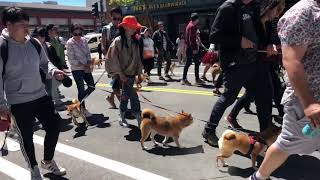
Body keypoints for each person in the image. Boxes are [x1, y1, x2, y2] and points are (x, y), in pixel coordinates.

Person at [249, 0, 320, 179]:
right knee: (287, 143)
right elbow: (291, 60)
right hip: (308, 96)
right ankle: (258, 177)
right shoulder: (302, 13)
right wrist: (309, 103)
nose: (278, 11)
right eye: (277, 9)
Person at [0, 7, 66, 179]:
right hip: (18, 100)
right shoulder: (2, 46)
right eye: (22, 25)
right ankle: (34, 169)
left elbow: (46, 63)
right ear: (8, 25)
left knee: (54, 125)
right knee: (26, 137)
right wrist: (2, 104)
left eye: (27, 24)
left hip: (40, 95)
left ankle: (48, 160)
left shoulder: (34, 43)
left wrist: (54, 71)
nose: (26, 28)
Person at [202, 0, 273, 146]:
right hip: (236, 63)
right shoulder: (228, 7)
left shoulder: (253, 7)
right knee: (229, 97)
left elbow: (259, 31)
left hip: (255, 61)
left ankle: (265, 134)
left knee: (263, 95)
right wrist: (239, 40)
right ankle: (209, 130)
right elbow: (214, 36)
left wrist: (268, 44)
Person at [224, 0, 285, 129]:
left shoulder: (269, 20)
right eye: (277, 10)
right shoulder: (250, 16)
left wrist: (272, 46)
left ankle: (266, 127)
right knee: (260, 94)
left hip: (266, 60)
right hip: (254, 61)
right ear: (269, 7)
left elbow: (268, 40)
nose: (278, 15)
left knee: (267, 93)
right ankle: (265, 128)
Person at [106, 16, 144, 128]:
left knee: (125, 96)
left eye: (135, 27)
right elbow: (112, 58)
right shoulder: (117, 41)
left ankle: (122, 116)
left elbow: (138, 58)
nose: (134, 29)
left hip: (131, 74)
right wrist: (120, 74)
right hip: (122, 75)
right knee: (133, 96)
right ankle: (138, 118)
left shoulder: (135, 41)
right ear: (125, 27)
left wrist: (138, 74)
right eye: (132, 27)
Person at [66, 24, 95, 117]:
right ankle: (82, 109)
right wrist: (83, 65)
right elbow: (71, 59)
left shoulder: (84, 40)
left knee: (92, 87)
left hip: (86, 67)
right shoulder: (70, 43)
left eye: (80, 33)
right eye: (75, 34)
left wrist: (89, 62)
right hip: (77, 69)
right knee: (81, 89)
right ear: (72, 33)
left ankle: (77, 104)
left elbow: (88, 53)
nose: (78, 36)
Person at [102, 7, 122, 109]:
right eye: (114, 18)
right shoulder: (106, 29)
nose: (117, 21)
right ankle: (124, 107)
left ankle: (110, 97)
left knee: (120, 82)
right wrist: (108, 60)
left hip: (123, 60)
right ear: (111, 17)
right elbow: (103, 46)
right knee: (117, 82)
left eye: (119, 19)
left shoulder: (122, 28)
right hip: (112, 61)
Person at [46, 24, 67, 106]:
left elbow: (61, 51)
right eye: (54, 29)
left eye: (56, 29)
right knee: (54, 83)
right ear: (49, 31)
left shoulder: (57, 39)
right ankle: (56, 101)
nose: (56, 31)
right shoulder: (46, 40)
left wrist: (63, 62)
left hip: (58, 62)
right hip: (51, 64)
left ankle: (56, 97)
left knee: (57, 81)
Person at [182, 13, 205, 86]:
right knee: (188, 63)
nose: (198, 20)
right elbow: (191, 39)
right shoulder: (191, 26)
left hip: (190, 47)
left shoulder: (191, 25)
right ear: (196, 19)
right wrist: (194, 49)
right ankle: (184, 79)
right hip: (191, 48)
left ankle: (197, 79)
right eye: (198, 19)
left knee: (197, 62)